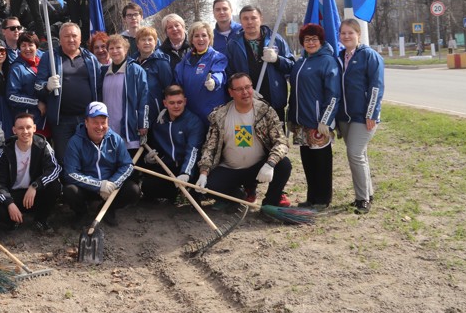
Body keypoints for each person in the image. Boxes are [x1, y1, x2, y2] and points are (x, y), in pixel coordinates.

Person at [196, 73, 292, 208]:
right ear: (231, 92)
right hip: (230, 169)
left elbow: (281, 141)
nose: (245, 92)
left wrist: (270, 164)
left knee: (284, 165)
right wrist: (204, 173)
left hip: (258, 168)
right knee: (210, 185)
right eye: (239, 89)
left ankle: (270, 202)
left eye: (248, 87)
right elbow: (209, 147)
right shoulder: (220, 116)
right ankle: (237, 196)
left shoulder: (265, 112)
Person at [288, 23, 341, 209]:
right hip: (301, 123)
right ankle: (311, 198)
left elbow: (333, 94)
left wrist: (326, 120)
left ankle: (322, 199)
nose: (310, 43)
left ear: (321, 41)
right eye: (307, 39)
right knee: (308, 162)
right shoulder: (301, 62)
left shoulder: (328, 61)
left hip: (318, 123)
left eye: (314, 39)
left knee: (321, 163)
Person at [63, 102, 140, 226]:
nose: (100, 127)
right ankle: (82, 213)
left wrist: (112, 183)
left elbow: (127, 165)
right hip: (87, 188)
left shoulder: (115, 139)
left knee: (133, 190)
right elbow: (70, 173)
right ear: (86, 122)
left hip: (110, 187)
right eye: (95, 122)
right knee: (70, 191)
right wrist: (99, 185)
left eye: (103, 122)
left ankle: (108, 209)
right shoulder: (75, 142)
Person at [336, 18, 384, 214]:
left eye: (351, 33)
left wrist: (371, 112)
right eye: (343, 33)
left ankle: (362, 199)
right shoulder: (339, 57)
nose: (347, 36)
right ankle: (368, 192)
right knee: (360, 154)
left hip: (364, 117)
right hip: (345, 117)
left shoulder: (369, 56)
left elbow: (376, 87)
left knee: (354, 153)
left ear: (358, 35)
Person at [35, 22, 102, 162]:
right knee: (65, 159)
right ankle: (68, 184)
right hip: (62, 121)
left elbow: (99, 88)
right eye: (67, 36)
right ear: (60, 39)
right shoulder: (50, 58)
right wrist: (47, 87)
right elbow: (37, 86)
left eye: (74, 36)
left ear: (80, 38)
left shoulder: (90, 58)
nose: (71, 39)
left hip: (87, 119)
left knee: (88, 158)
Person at [225, 5, 294, 123]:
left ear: (260, 19)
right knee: (246, 141)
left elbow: (291, 67)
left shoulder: (276, 40)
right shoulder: (233, 44)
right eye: (245, 18)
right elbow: (229, 74)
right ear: (240, 21)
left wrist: (277, 59)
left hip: (274, 103)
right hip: (245, 104)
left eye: (253, 18)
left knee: (277, 140)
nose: (250, 22)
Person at [0, 113, 62, 232]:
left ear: (34, 128)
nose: (25, 131)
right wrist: (9, 203)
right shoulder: (6, 152)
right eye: (20, 128)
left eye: (28, 127)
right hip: (14, 195)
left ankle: (40, 220)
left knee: (55, 186)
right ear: (14, 130)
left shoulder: (43, 145)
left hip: (34, 193)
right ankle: (13, 222)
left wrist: (35, 185)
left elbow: (54, 169)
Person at [143, 85, 205, 201]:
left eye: (179, 102)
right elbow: (156, 147)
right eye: (172, 103)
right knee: (148, 186)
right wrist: (148, 159)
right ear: (165, 103)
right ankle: (172, 194)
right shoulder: (159, 122)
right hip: (169, 169)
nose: (176, 106)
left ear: (185, 102)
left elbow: (193, 150)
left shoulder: (194, 122)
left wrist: (186, 173)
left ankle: (190, 193)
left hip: (189, 169)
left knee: (199, 192)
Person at [101, 34, 149, 153]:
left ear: (126, 49)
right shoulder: (104, 71)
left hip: (128, 126)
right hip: (108, 126)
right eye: (111, 48)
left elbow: (144, 97)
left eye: (118, 47)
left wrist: (143, 123)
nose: (115, 51)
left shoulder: (135, 70)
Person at [175, 21, 228, 125]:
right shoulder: (185, 61)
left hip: (212, 114)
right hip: (191, 115)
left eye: (204, 35)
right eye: (196, 36)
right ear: (191, 39)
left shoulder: (217, 57)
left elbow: (219, 72)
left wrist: (214, 81)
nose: (200, 39)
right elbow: (177, 82)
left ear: (209, 38)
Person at [7, 31, 46, 131]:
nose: (27, 49)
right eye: (23, 45)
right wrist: (35, 103)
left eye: (30, 45)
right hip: (30, 120)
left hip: (48, 118)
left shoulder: (45, 61)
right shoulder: (17, 68)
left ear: (36, 47)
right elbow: (12, 96)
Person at [135, 26, 174, 124]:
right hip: (136, 113)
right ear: (137, 44)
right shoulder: (132, 63)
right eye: (143, 40)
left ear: (155, 42)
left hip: (156, 114)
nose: (147, 42)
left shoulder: (161, 63)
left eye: (150, 39)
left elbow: (169, 88)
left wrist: (166, 111)